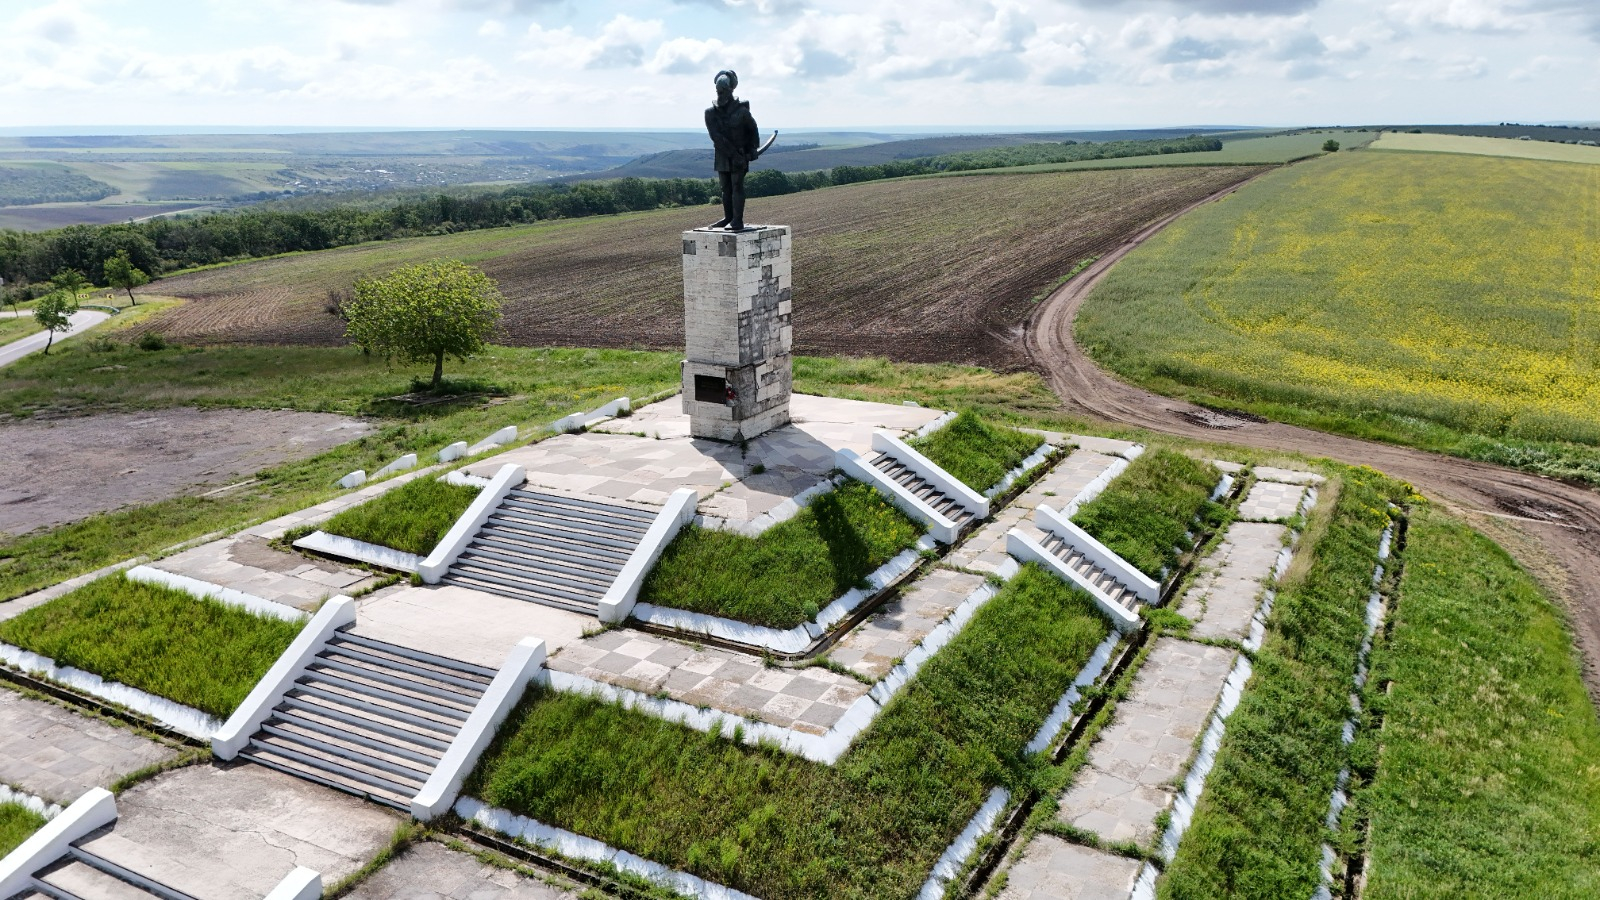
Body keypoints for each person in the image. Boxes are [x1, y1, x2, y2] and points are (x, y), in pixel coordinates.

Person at [704, 69, 773, 231]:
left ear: (730, 90)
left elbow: (753, 131)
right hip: (723, 155)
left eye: (723, 91)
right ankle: (728, 217)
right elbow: (716, 137)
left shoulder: (742, 112)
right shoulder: (710, 113)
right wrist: (733, 155)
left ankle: (737, 220)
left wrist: (752, 149)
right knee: (725, 187)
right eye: (718, 91)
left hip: (740, 155)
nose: (720, 94)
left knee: (736, 186)